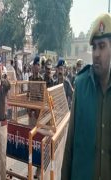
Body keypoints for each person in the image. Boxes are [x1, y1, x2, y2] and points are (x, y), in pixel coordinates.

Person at [62, 13, 111, 180]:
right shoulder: (81, 86)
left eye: (102, 46)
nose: (96, 53)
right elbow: (70, 147)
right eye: (94, 47)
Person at [0, 57, 11, 180]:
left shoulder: (5, 82)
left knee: (3, 156)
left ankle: (3, 178)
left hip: (3, 125)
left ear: (2, 67)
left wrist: (2, 81)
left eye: (0, 65)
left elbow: (9, 86)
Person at [28, 56, 44, 125]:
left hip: (38, 109)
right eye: (37, 65)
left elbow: (43, 96)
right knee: (30, 128)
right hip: (31, 108)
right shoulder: (30, 78)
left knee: (37, 131)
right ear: (33, 67)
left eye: (39, 65)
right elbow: (28, 93)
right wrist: (28, 109)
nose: (38, 67)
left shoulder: (41, 79)